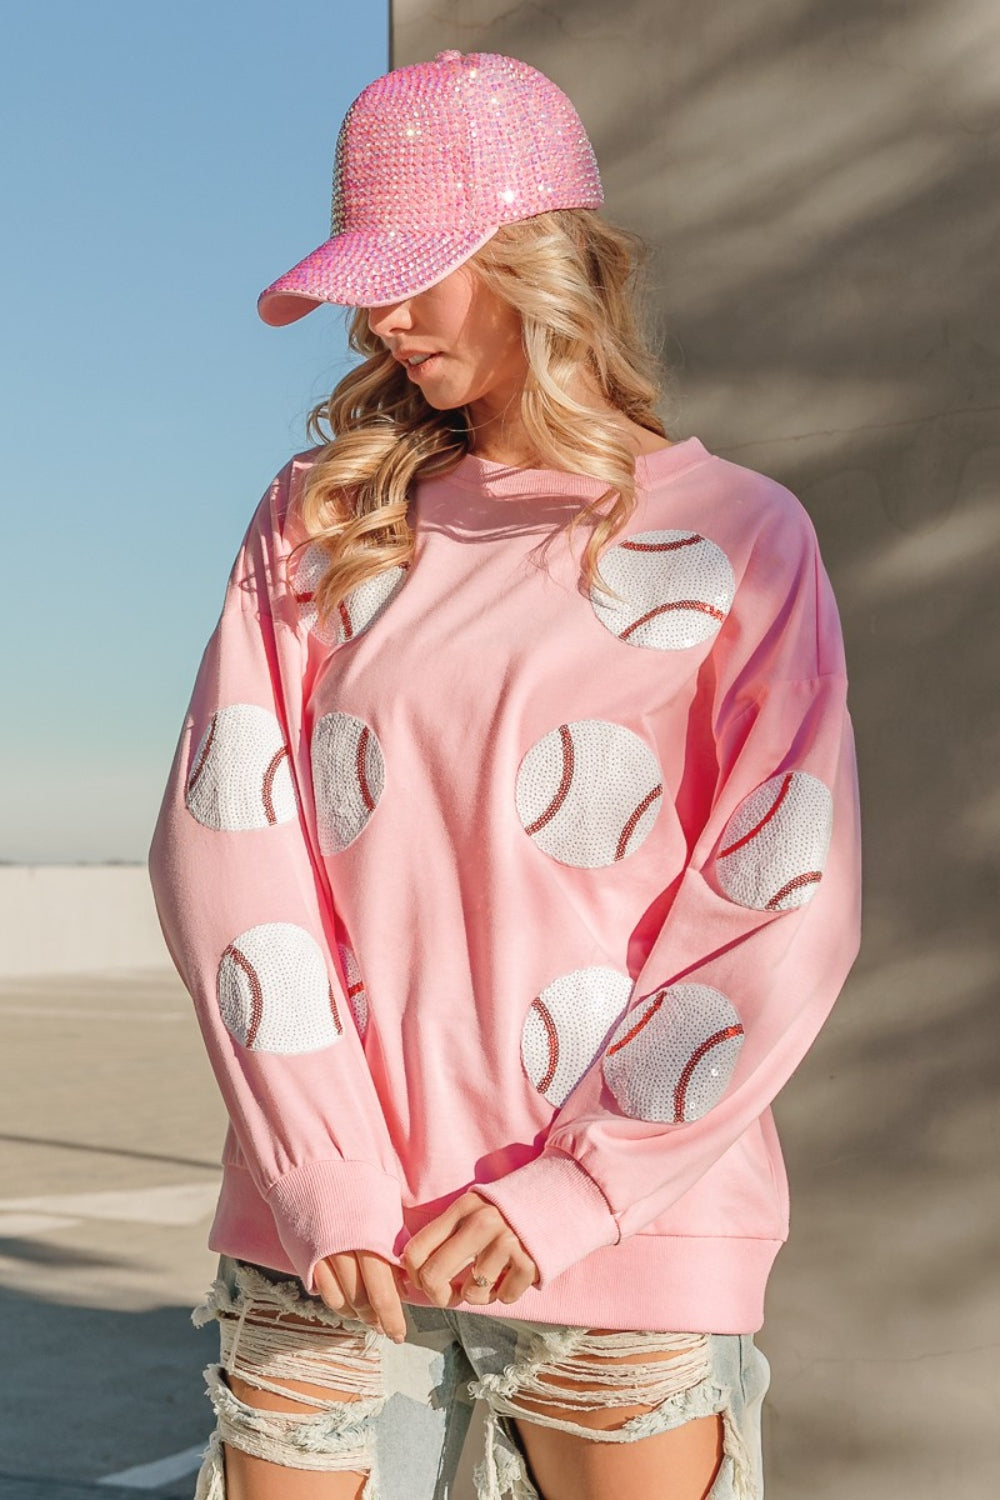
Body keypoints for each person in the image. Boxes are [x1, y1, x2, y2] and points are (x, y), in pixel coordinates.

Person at [148, 49, 861, 1500]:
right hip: (333, 1231)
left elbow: (781, 902)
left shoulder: (737, 538)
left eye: (420, 269)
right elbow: (233, 848)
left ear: (541, 257)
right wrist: (323, 1167)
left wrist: (583, 1181)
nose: (382, 315)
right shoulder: (327, 523)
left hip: (629, 1237)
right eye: (371, 277)